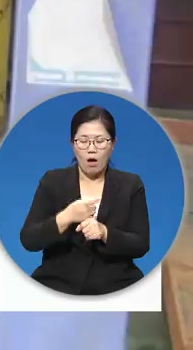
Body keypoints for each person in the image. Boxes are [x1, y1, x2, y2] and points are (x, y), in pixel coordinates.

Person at [19, 105, 150, 295]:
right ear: (72, 143)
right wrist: (66, 217)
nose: (91, 149)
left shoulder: (131, 185)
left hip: (117, 285)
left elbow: (141, 244)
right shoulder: (52, 181)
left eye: (100, 141)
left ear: (113, 144)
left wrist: (105, 232)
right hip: (57, 283)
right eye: (83, 141)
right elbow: (29, 239)